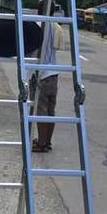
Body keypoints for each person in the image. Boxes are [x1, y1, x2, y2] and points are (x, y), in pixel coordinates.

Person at [32, 20, 66, 153]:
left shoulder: (37, 25)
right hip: (54, 72)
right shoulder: (56, 26)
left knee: (41, 110)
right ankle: (47, 141)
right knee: (51, 110)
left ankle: (41, 143)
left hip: (42, 73)